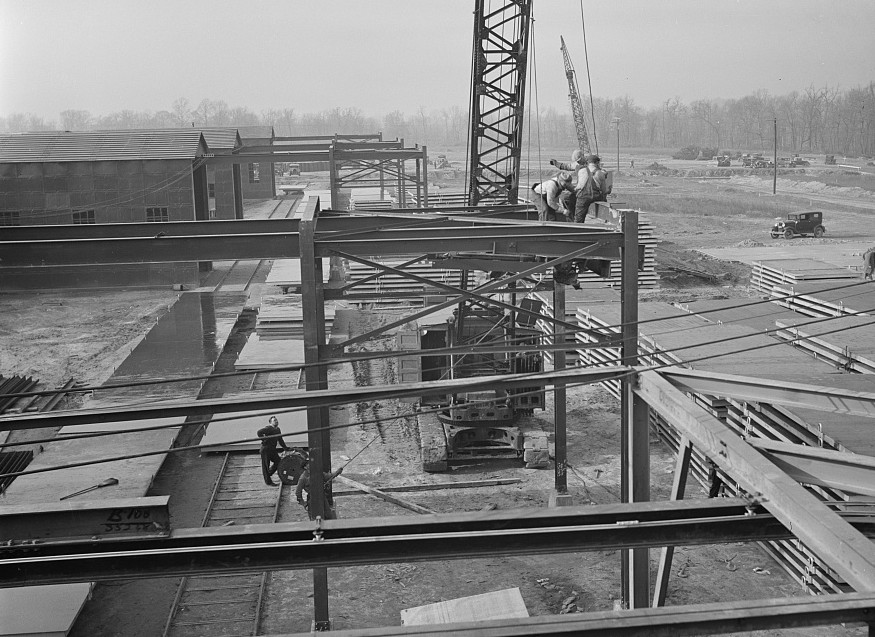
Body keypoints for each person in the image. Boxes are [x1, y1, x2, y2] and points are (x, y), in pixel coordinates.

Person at [572, 154, 609, 224]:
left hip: (583, 197)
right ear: (597, 163)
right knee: (604, 200)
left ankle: (577, 230)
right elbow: (604, 190)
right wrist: (608, 190)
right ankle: (605, 220)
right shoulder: (600, 173)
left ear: (588, 162)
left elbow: (579, 186)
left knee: (578, 219)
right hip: (595, 197)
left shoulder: (581, 171)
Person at [257, 416, 289, 486]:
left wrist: (286, 448)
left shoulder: (277, 429)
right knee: (266, 465)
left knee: (278, 461)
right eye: (274, 420)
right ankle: (268, 482)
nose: (276, 421)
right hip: (265, 449)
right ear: (270, 422)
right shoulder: (269, 428)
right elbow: (259, 432)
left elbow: (280, 440)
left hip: (272, 449)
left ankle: (268, 474)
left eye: (277, 420)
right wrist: (264, 440)